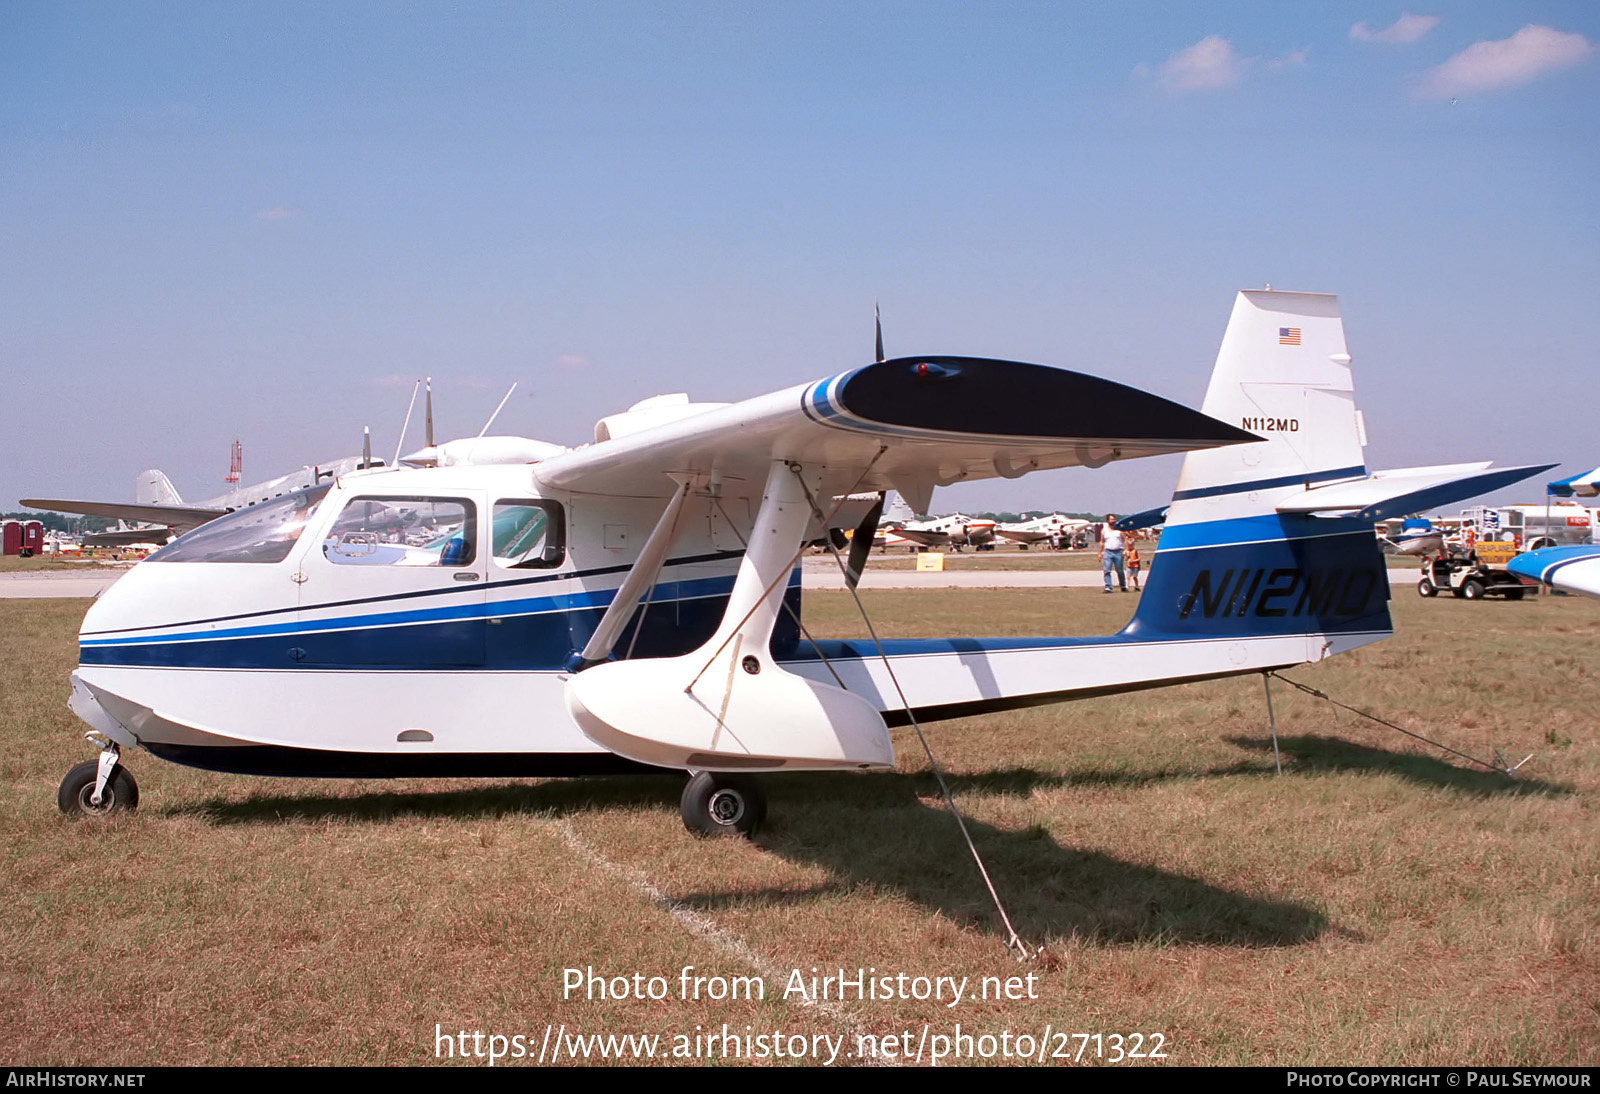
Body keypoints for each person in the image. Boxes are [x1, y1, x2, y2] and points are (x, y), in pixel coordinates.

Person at [1099, 514, 1126, 593]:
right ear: (1107, 521)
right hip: (1108, 552)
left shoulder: (1119, 530)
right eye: (1111, 519)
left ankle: (1123, 586)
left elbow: (1125, 540)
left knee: (1120, 570)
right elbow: (1102, 542)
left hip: (1118, 551)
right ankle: (1108, 587)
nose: (1113, 521)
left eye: (1114, 519)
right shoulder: (1104, 530)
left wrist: (1126, 550)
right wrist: (1100, 553)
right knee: (1107, 570)